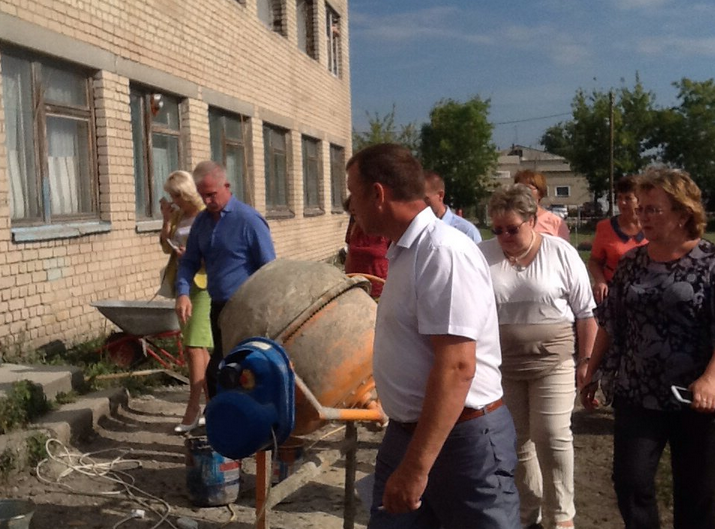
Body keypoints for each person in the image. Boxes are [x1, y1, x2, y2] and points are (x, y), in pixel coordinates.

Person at [347, 143, 520, 529]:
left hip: (462, 441)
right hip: (411, 433)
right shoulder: (405, 251)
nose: (350, 205)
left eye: (353, 194)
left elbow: (458, 365)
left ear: (377, 194)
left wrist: (415, 468)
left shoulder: (442, 252)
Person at [580, 167, 715, 529]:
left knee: (697, 493)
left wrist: (710, 379)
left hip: (696, 399)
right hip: (638, 392)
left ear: (684, 214)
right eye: (641, 209)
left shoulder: (709, 263)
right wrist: (591, 371)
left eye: (653, 210)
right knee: (630, 483)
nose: (641, 217)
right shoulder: (632, 262)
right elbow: (611, 322)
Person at [479, 184, 597, 529]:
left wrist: (586, 361)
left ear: (532, 219)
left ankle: (561, 516)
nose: (503, 236)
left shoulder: (560, 252)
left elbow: (586, 313)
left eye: (512, 228)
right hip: (502, 365)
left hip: (554, 361)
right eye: (497, 229)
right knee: (515, 441)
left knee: (552, 434)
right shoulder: (481, 254)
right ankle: (528, 513)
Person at [176, 161, 276, 399]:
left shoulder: (248, 220)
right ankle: (221, 423)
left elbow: (269, 269)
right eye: (203, 196)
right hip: (218, 308)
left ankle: (239, 423)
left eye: (212, 195)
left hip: (246, 309)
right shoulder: (202, 222)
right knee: (224, 372)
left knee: (231, 370)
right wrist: (182, 292)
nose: (208, 202)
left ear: (227, 186)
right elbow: (189, 261)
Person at [160, 171, 214, 433]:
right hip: (183, 283)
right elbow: (165, 247)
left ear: (185, 193)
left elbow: (216, 252)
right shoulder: (181, 215)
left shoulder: (206, 214)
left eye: (176, 196)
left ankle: (192, 408)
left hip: (203, 285)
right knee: (200, 348)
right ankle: (213, 405)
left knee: (194, 347)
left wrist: (192, 257)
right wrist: (166, 221)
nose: (174, 200)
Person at [587, 175, 647, 304]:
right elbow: (594, 261)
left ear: (640, 200)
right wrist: (600, 281)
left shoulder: (651, 226)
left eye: (628, 198)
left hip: (646, 293)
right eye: (619, 198)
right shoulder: (605, 227)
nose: (622, 203)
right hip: (614, 294)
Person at [343, 196, 390, 298]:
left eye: (357, 213)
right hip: (355, 287)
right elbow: (349, 255)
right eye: (352, 214)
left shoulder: (385, 230)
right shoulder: (354, 228)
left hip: (379, 289)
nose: (356, 218)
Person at [423, 171, 482, 243]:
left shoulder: (466, 231)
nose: (420, 204)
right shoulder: (416, 230)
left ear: (440, 195)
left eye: (425, 199)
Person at [514, 170, 570, 241]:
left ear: (540, 192)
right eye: (519, 188)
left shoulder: (555, 222)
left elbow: (564, 250)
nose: (523, 192)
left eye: (528, 188)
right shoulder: (509, 219)